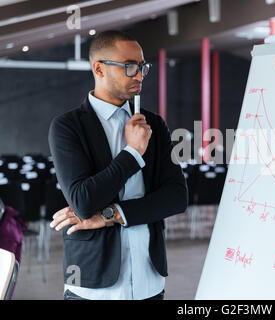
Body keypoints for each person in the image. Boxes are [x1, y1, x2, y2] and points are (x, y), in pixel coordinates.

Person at [48, 30, 188, 300]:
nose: (138, 75)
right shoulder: (68, 126)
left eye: (142, 67)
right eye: (129, 67)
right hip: (92, 284)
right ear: (99, 69)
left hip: (150, 278)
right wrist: (133, 153)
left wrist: (109, 215)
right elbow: (84, 202)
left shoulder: (153, 124)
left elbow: (176, 197)